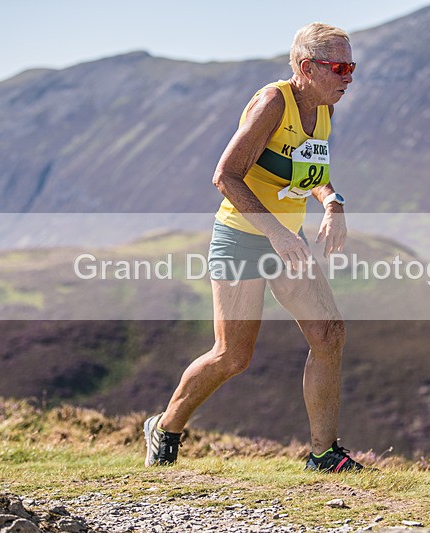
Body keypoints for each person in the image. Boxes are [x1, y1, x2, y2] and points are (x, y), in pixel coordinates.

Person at [144, 22, 364, 472]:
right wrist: (277, 233)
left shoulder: (323, 107)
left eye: (352, 67)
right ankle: (165, 428)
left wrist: (332, 202)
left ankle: (324, 455)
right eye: (339, 68)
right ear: (307, 68)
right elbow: (225, 176)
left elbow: (309, 172)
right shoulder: (273, 103)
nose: (348, 77)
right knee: (232, 356)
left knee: (329, 334)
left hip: (287, 243)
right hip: (242, 238)